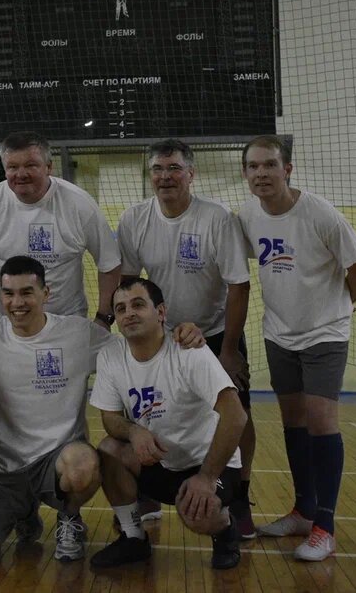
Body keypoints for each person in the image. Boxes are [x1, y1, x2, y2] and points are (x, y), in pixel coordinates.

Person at [0, 257, 204, 565]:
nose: (17, 302)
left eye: (27, 292)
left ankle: (69, 516)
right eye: (9, 293)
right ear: (0, 296)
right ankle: (24, 513)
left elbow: (135, 342)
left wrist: (180, 332)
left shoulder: (78, 334)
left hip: (61, 461)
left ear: (46, 293)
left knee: (83, 463)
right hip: (5, 469)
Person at [238, 135, 356, 561]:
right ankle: (303, 510)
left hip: (325, 333)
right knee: (293, 421)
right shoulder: (247, 216)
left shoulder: (319, 213)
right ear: (245, 173)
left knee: (320, 419)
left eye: (270, 165)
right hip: (279, 333)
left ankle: (325, 527)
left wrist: (344, 305)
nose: (261, 173)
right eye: (253, 166)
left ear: (288, 170)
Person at [117, 138, 257, 536]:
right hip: (158, 337)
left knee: (239, 413)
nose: (165, 177)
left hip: (213, 333)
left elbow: (239, 285)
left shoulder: (217, 218)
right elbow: (129, 283)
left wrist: (228, 349)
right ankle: (146, 490)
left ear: (191, 174)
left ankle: (239, 494)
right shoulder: (134, 219)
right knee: (144, 411)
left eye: (174, 168)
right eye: (158, 169)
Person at [88, 277, 247, 570]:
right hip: (162, 464)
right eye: (121, 309)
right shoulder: (111, 356)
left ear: (161, 312)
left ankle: (225, 531)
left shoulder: (189, 350)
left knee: (197, 515)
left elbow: (236, 416)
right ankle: (133, 538)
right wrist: (133, 431)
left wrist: (206, 477)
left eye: (138, 305)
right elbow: (109, 418)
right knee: (110, 449)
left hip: (210, 466)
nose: (129, 313)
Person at [0, 132, 122, 331]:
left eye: (31, 165)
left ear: (49, 167)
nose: (21, 174)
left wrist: (104, 317)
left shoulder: (79, 204)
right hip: (4, 326)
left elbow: (109, 264)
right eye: (12, 167)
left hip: (66, 324)